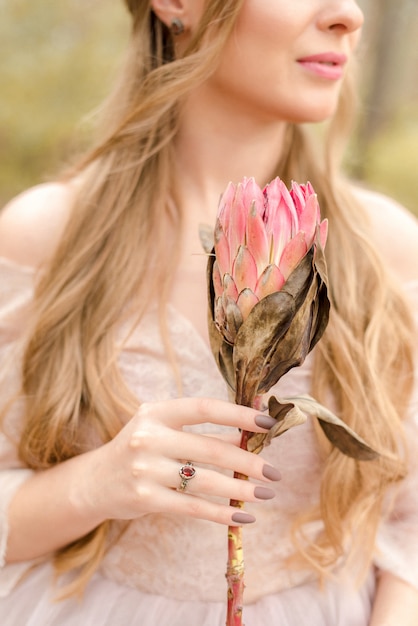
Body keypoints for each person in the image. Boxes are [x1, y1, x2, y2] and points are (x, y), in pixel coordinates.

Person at [0, 1, 418, 624]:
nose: (348, 15)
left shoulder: (384, 248)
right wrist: (96, 484)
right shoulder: (49, 238)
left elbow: (408, 529)